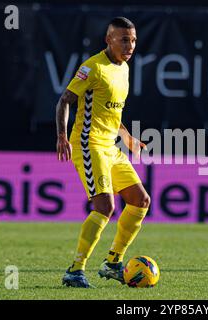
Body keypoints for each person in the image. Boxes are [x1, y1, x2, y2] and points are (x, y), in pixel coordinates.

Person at [55, 17, 150, 288]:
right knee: (105, 206)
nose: (129, 45)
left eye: (132, 40)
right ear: (108, 40)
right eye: (123, 39)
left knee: (140, 201)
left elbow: (110, 111)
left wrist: (127, 137)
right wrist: (62, 135)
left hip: (111, 146)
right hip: (89, 144)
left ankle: (112, 263)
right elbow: (65, 100)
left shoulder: (124, 68)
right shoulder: (92, 67)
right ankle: (75, 270)